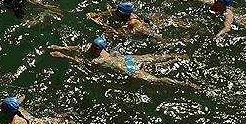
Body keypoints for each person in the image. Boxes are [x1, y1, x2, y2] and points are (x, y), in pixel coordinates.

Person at [49, 36, 199, 88]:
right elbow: (77, 47)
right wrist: (61, 47)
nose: (92, 48)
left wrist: (62, 56)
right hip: (126, 58)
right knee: (152, 58)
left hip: (127, 66)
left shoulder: (100, 59)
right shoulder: (91, 46)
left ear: (100, 49)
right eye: (93, 46)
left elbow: (80, 61)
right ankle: (177, 56)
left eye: (95, 48)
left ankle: (183, 83)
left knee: (153, 78)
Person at [166, 0, 246, 43]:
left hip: (240, 20)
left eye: (219, 0)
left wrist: (219, 34)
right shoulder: (212, 3)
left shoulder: (228, 13)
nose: (216, 0)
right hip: (221, 15)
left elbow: (227, 27)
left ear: (224, 4)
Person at [87, 2, 153, 36]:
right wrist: (95, 14)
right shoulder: (119, 12)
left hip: (145, 32)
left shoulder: (132, 22)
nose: (116, 12)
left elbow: (119, 33)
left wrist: (108, 28)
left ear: (124, 14)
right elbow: (110, 11)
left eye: (119, 11)